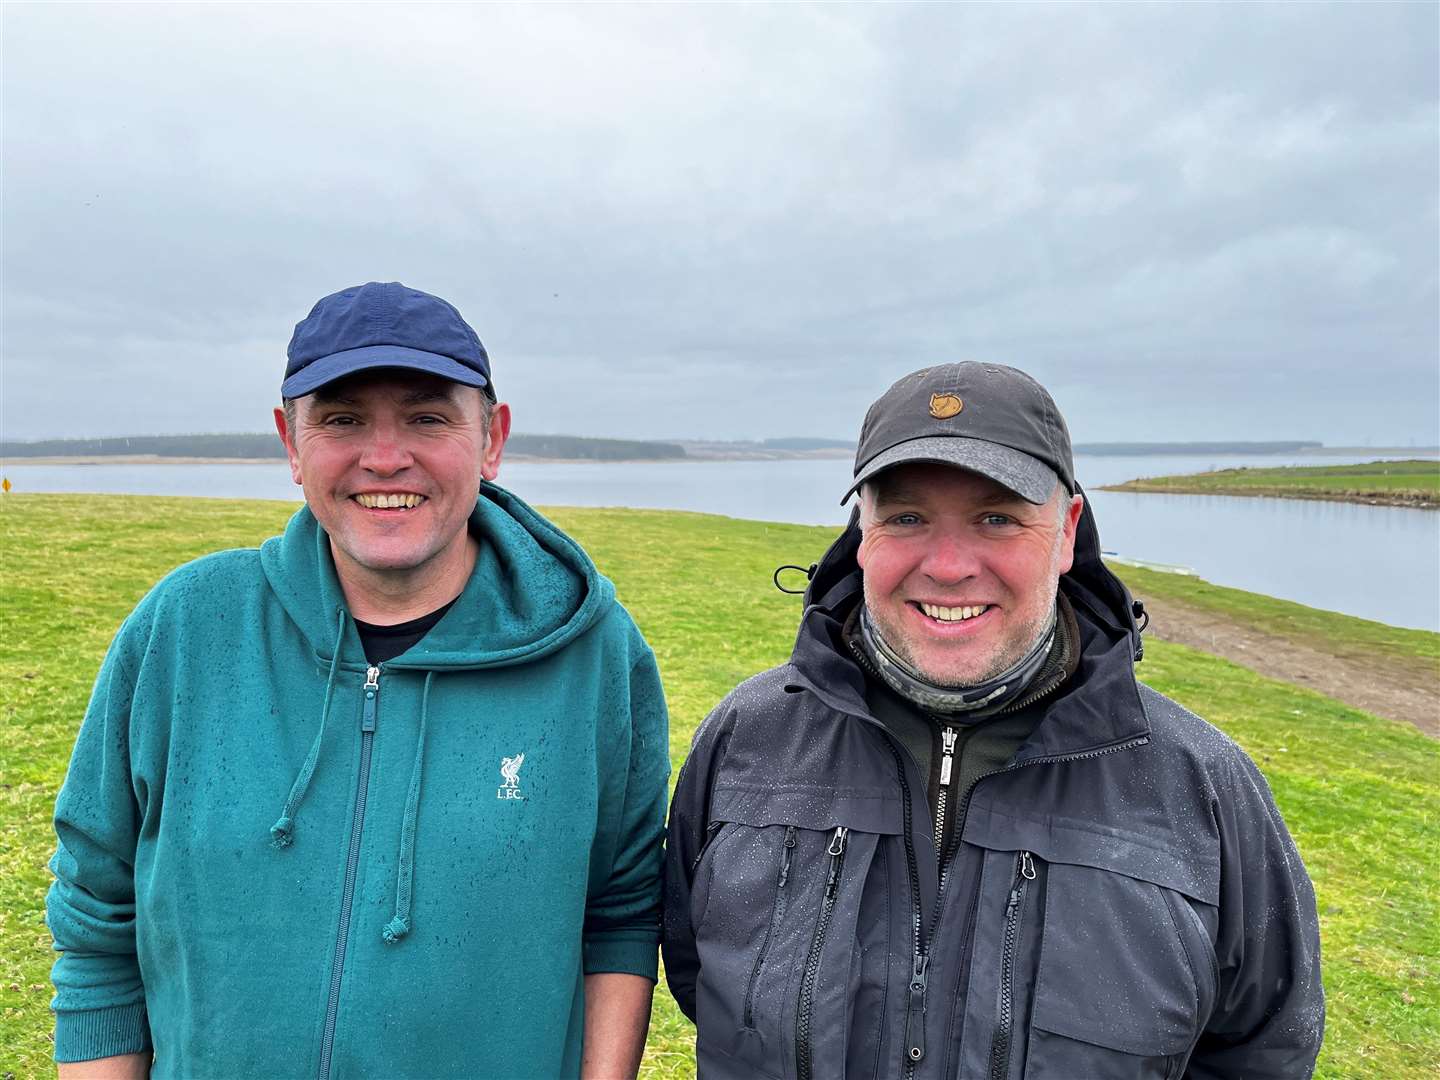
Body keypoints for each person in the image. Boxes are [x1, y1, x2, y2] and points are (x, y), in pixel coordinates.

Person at [47, 282, 670, 1079]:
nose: (385, 457)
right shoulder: (184, 629)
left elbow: (619, 909)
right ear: (289, 442)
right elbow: (98, 915)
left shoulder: (595, 655)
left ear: (492, 438)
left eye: (427, 416)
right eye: (342, 420)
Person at [663, 363, 1323, 1079]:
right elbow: (702, 981)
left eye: (997, 518)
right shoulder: (746, 740)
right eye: (908, 517)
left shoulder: (1202, 786)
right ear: (863, 534)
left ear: (1066, 530)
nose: (948, 567)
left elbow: (1262, 1048)